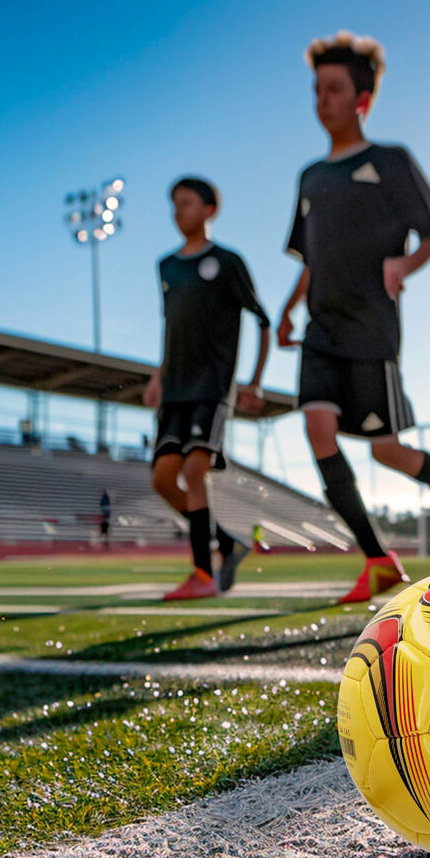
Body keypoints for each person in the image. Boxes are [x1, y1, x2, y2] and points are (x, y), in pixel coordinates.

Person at [277, 31, 430, 604]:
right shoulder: (310, 177)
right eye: (316, 90)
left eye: (333, 89)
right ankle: (378, 559)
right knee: (317, 429)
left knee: (387, 449)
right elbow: (311, 259)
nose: (321, 100)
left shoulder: (389, 160)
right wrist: (288, 310)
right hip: (320, 331)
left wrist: (404, 263)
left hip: (371, 329)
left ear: (361, 99)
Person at [144, 177, 270, 599]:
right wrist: (157, 377)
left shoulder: (228, 262)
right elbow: (170, 327)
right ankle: (226, 542)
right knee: (163, 478)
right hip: (175, 389)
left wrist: (253, 381)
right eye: (174, 204)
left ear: (209, 209)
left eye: (186, 203)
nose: (178, 211)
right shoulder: (167, 267)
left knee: (194, 471)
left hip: (211, 387)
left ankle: (202, 575)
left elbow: (262, 319)